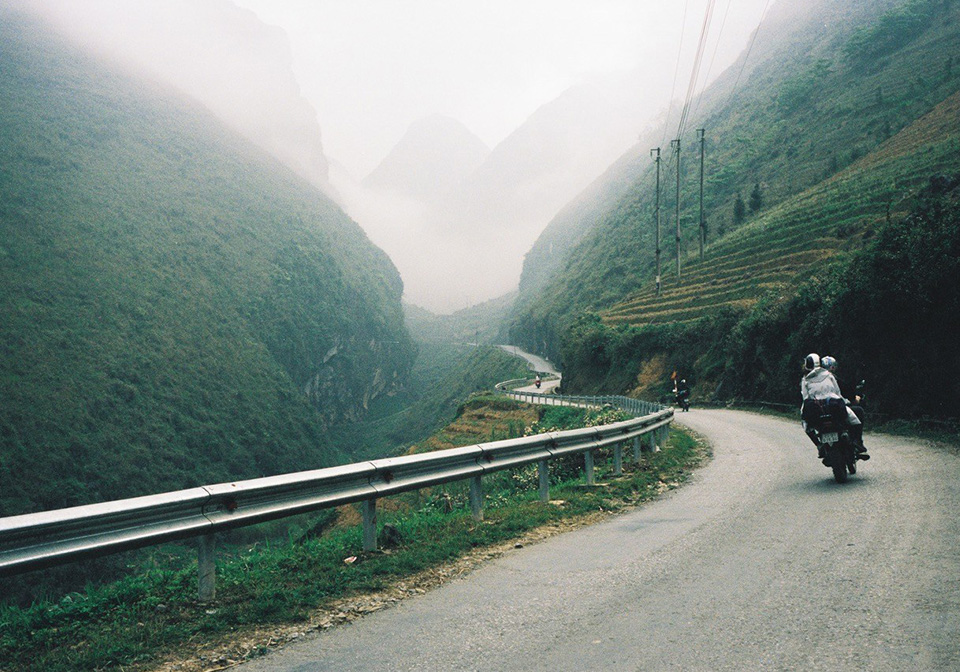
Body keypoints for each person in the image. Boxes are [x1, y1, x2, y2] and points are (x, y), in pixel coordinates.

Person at [800, 353, 868, 459]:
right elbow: (837, 392)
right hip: (834, 406)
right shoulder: (829, 375)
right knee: (855, 417)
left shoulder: (805, 380)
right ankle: (857, 442)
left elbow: (805, 397)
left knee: (805, 424)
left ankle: (819, 445)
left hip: (816, 410)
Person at [821, 355, 868, 455]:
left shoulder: (810, 380)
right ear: (832, 367)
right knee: (858, 411)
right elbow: (846, 392)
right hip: (836, 408)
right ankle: (857, 441)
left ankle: (822, 447)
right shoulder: (833, 379)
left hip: (820, 410)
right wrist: (853, 398)